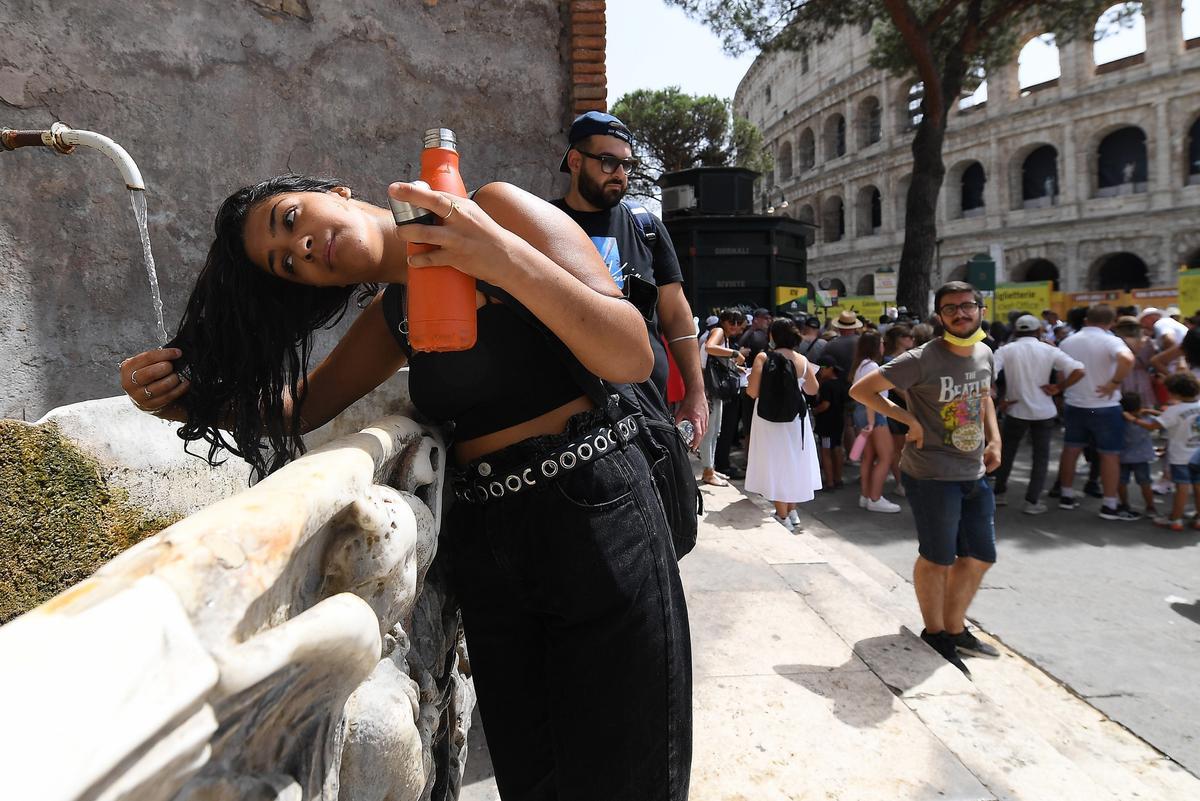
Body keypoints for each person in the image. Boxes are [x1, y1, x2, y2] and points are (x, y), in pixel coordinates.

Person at [118, 175, 691, 800]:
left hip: (597, 516)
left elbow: (631, 352)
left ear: (334, 193)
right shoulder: (396, 311)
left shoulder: (492, 209)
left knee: (632, 775)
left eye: (290, 220)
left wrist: (498, 257)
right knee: (534, 779)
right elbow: (301, 410)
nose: (302, 249)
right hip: (489, 546)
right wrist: (184, 400)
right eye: (287, 265)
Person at [850, 281, 1001, 676]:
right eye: (951, 308)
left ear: (981, 309)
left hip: (974, 471)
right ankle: (936, 633)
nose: (960, 314)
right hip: (931, 472)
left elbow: (984, 397)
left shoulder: (985, 351)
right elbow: (862, 390)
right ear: (940, 315)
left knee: (980, 556)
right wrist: (907, 418)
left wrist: (995, 438)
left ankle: (955, 627)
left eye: (967, 306)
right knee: (938, 557)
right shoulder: (921, 359)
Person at [552, 110, 708, 449]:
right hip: (566, 420)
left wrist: (696, 394)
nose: (620, 174)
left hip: (647, 413)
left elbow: (677, 317)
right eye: (608, 162)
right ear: (575, 161)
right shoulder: (544, 224)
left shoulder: (646, 227)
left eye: (627, 165)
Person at [991, 314, 1086, 515]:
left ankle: (999, 493)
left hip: (1015, 409)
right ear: (1039, 331)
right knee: (1040, 457)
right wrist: (1059, 387)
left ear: (1016, 331)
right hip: (1044, 410)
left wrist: (999, 398)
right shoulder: (1049, 350)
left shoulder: (1006, 350)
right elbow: (1079, 370)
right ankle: (1032, 501)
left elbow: (987, 374)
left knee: (1006, 453)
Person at [1056, 304, 1137, 520]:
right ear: (1111, 323)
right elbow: (1128, 359)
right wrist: (1114, 382)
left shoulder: (1067, 341)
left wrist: (1062, 392)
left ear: (1086, 320)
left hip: (1075, 403)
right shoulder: (1110, 340)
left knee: (1071, 450)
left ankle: (1066, 494)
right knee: (1109, 454)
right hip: (1104, 406)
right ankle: (1110, 504)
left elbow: (1060, 372)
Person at [745, 318, 821, 530]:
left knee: (775, 461)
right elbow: (813, 390)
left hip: (768, 416)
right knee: (793, 460)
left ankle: (782, 514)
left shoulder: (763, 357)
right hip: (796, 417)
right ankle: (792, 511)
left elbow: (752, 391)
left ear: (772, 336)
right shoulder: (801, 360)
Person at [851, 330, 901, 513]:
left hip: (862, 412)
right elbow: (870, 396)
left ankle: (866, 496)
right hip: (874, 413)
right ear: (874, 346)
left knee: (869, 457)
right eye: (880, 342)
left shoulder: (861, 366)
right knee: (886, 456)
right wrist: (872, 422)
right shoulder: (872, 367)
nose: (883, 346)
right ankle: (875, 497)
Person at [1143, 372, 1200, 531]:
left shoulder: (1174, 410)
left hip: (1180, 457)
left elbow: (1153, 426)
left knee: (1181, 487)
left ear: (1175, 393)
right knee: (1198, 485)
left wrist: (1133, 419)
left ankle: (1175, 519)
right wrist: (1153, 412)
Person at [699, 310, 747, 486]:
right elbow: (710, 347)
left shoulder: (723, 334)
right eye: (731, 322)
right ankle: (708, 471)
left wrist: (735, 366)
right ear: (723, 321)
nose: (734, 326)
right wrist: (734, 353)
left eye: (738, 322)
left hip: (712, 387)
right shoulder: (718, 332)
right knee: (710, 431)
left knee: (714, 430)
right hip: (708, 388)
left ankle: (710, 468)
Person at [882, 324, 915, 491]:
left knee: (906, 448)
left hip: (906, 408)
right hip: (897, 408)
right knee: (899, 448)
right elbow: (897, 387)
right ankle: (901, 482)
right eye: (908, 336)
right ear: (899, 339)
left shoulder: (907, 357)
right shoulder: (889, 360)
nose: (912, 339)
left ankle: (904, 481)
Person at [1117, 391, 1159, 519]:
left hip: (1122, 457)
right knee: (1145, 482)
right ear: (1139, 406)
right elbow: (1165, 417)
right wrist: (1148, 411)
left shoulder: (1118, 420)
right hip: (1141, 458)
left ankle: (1124, 504)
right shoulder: (1146, 420)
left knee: (1121, 482)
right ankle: (1150, 506)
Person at [813, 354, 847, 490]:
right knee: (837, 449)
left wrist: (815, 411)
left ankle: (830, 481)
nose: (819, 371)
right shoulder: (840, 382)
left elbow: (825, 404)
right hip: (838, 421)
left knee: (825, 451)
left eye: (821, 368)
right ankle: (838, 478)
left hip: (826, 423)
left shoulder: (826, 385)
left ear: (830, 368)